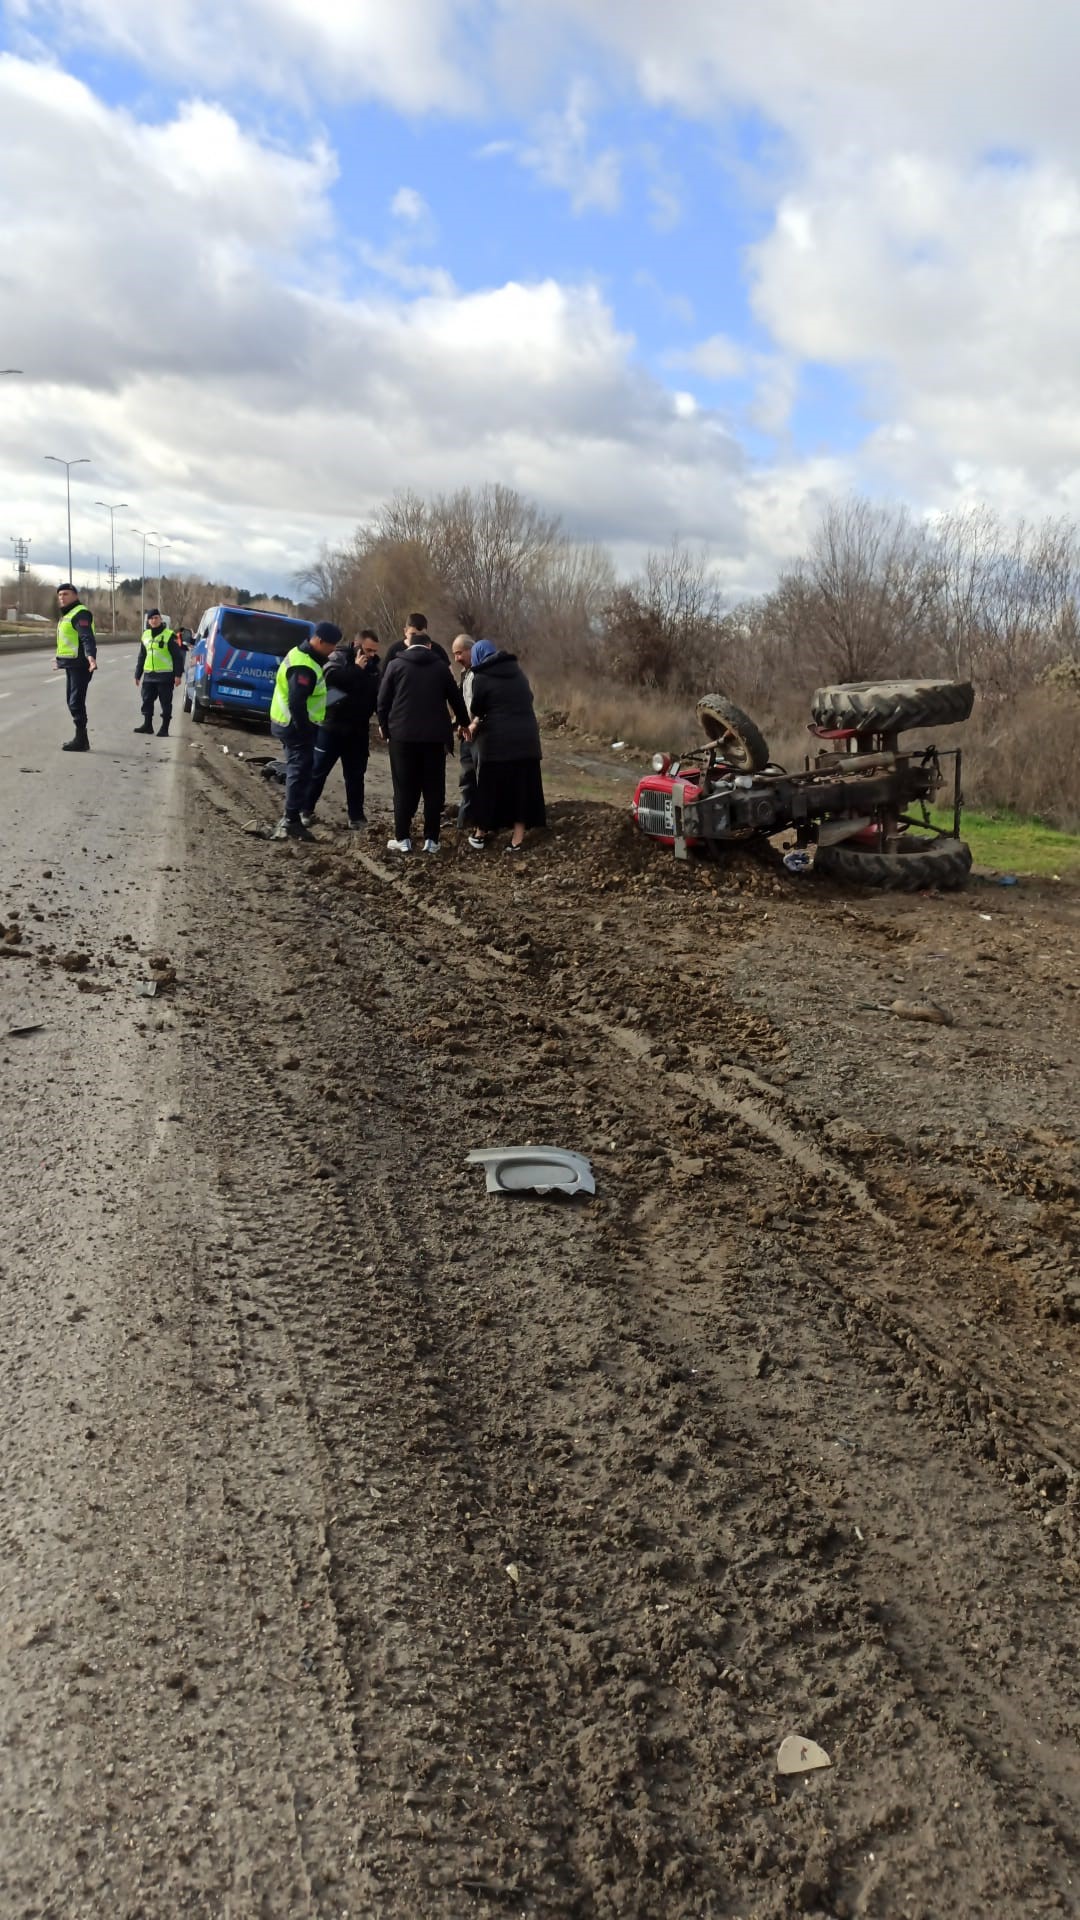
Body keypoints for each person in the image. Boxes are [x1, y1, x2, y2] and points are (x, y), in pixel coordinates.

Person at [376, 627, 468, 854]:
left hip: (402, 737)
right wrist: (464, 723)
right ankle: (432, 840)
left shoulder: (395, 665)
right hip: (434, 738)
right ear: (429, 646)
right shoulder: (440, 668)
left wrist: (385, 728)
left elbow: (382, 701)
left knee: (403, 787)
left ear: (407, 645)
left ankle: (403, 838)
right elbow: (456, 700)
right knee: (433, 788)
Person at [466, 639, 546, 853]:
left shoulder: (481, 677)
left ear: (477, 658)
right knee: (521, 789)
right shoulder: (519, 674)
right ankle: (517, 840)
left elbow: (477, 708)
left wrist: (475, 723)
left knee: (489, 786)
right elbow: (528, 698)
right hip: (527, 740)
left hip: (499, 742)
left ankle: (480, 833)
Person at [268, 621, 342, 841]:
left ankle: (293, 817)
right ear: (319, 641)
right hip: (295, 726)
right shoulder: (305, 666)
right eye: (331, 646)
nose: (333, 650)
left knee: (300, 769)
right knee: (299, 771)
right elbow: (297, 701)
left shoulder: (302, 655)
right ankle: (291, 819)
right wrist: (304, 730)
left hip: (288, 723)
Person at [302, 629, 380, 830]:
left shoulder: (374, 668)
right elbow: (330, 680)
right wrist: (355, 669)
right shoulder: (337, 658)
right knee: (318, 771)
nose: (371, 654)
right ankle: (304, 810)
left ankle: (356, 817)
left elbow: (377, 694)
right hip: (332, 726)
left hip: (358, 730)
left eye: (374, 651)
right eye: (368, 650)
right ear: (357, 645)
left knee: (355, 776)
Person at [54, 583, 96, 753]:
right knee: (71, 702)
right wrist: (58, 658)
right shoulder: (68, 615)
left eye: (65, 594)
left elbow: (87, 637)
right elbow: (67, 641)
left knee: (76, 702)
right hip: (71, 664)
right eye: (59, 595)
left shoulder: (80, 613)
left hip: (81, 665)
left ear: (75, 596)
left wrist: (91, 656)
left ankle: (81, 739)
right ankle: (82, 739)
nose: (61, 597)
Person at [133, 610, 184, 738]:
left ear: (161, 619)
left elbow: (178, 657)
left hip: (165, 676)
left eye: (156, 618)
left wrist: (178, 675)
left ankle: (164, 728)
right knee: (146, 700)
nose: (154, 621)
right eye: (151, 618)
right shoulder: (145, 635)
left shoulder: (169, 635)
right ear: (148, 621)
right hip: (149, 675)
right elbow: (142, 656)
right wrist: (137, 674)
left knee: (165, 703)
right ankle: (147, 725)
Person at [451, 633, 477, 828]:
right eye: (454, 654)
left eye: (459, 653)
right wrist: (456, 723)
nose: (457, 658)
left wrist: (471, 724)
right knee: (466, 778)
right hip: (466, 733)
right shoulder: (465, 673)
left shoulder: (480, 673)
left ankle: (468, 821)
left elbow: (480, 706)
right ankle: (466, 819)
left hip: (478, 735)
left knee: (470, 778)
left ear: (471, 650)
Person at [382, 613, 450, 669]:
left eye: (422, 635)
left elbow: (449, 676)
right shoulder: (394, 650)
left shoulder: (437, 650)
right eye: (413, 634)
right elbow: (385, 679)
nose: (417, 638)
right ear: (405, 631)